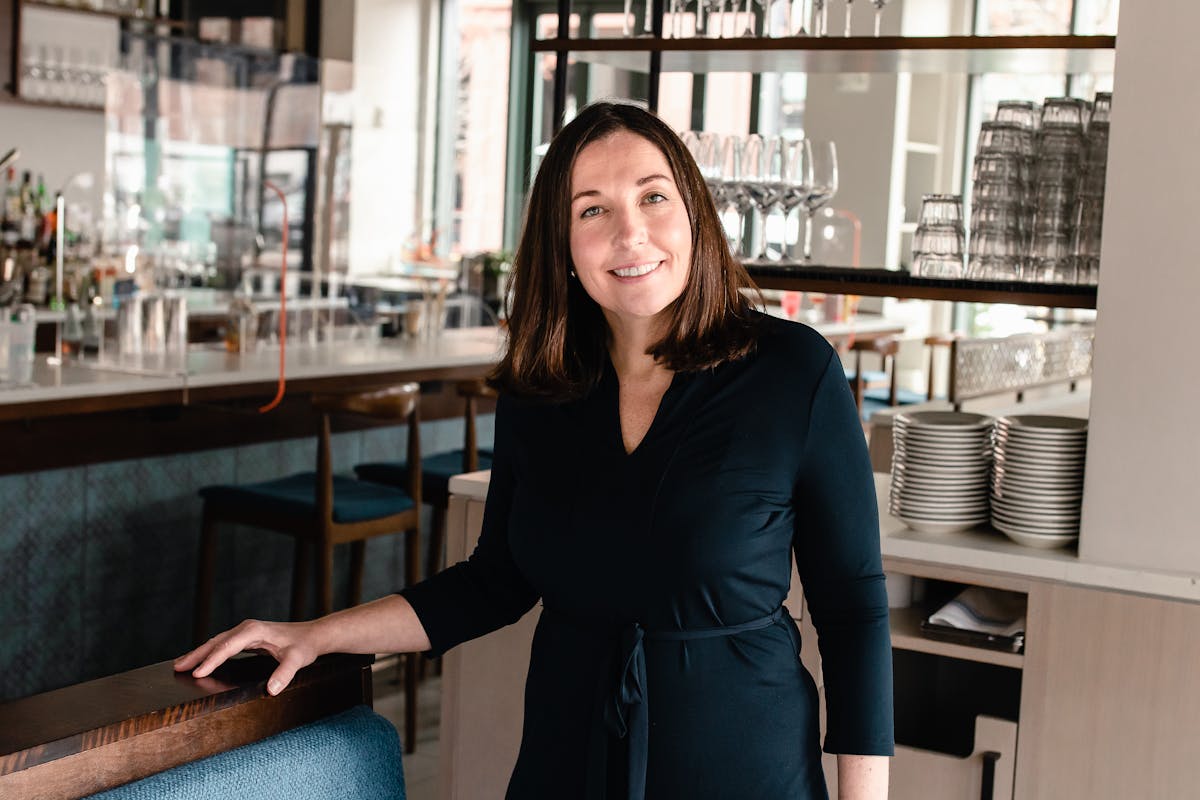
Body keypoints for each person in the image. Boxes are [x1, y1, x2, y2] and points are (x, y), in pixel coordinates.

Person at [176, 101, 893, 799]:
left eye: (653, 197)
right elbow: (495, 582)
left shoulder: (792, 372)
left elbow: (854, 610)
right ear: (562, 243)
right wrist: (321, 634)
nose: (630, 234)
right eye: (593, 209)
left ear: (695, 212)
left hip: (741, 763)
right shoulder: (543, 383)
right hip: (567, 757)